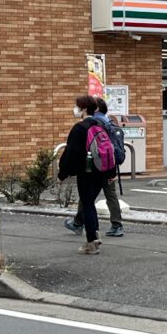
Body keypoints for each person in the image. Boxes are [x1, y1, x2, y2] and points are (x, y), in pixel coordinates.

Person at [57, 95, 111, 254]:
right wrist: (111, 171)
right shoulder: (101, 125)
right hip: (101, 171)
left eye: (77, 106)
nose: (75, 109)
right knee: (89, 204)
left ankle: (92, 243)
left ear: (84, 109)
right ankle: (95, 236)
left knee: (87, 205)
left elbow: (71, 153)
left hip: (86, 172)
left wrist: (62, 173)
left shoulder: (80, 128)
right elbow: (109, 148)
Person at [65, 97, 125, 237]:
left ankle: (83, 227)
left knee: (87, 197)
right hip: (110, 164)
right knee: (109, 195)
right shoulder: (109, 122)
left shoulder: (93, 123)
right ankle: (116, 224)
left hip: (93, 165)